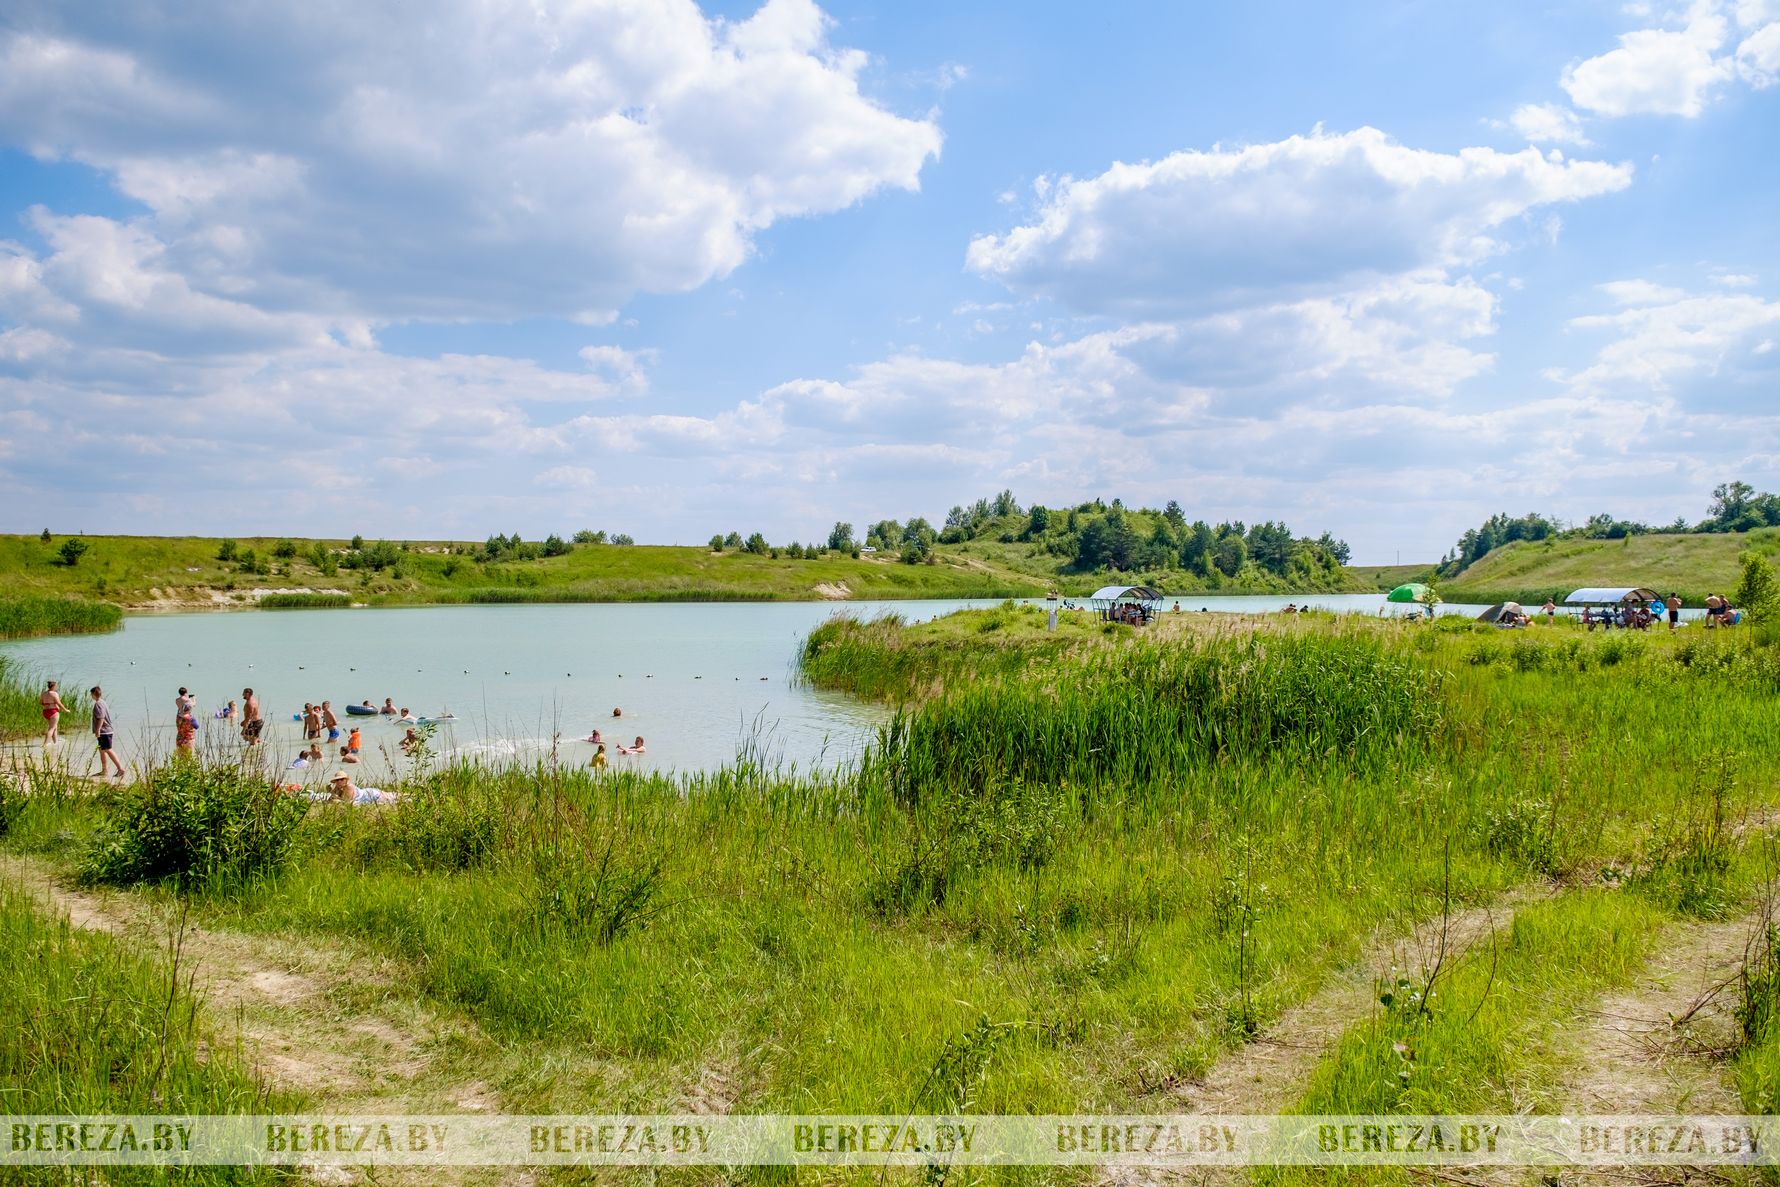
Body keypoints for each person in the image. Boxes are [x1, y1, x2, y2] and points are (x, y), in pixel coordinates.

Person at [89, 686, 124, 779]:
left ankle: (120, 769)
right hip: (106, 731)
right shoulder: (102, 702)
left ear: (93, 694)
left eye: (91, 694)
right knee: (102, 750)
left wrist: (97, 730)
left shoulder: (98, 704)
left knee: (108, 749)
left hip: (104, 731)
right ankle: (104, 770)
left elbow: (101, 718)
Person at [327, 770, 398, 805]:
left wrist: (334, 795)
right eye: (337, 780)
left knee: (394, 796)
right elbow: (332, 798)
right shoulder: (338, 787)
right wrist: (331, 791)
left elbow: (346, 801)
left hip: (371, 794)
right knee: (393, 795)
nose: (339, 781)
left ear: (346, 780)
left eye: (342, 779)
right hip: (367, 793)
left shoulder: (349, 786)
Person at [40, 680, 66, 746]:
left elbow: (41, 702)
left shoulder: (43, 693)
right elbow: (59, 703)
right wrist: (66, 710)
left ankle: (55, 742)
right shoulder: (54, 693)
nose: (56, 687)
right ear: (53, 686)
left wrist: (48, 704)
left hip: (45, 712)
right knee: (51, 728)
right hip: (53, 712)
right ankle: (45, 744)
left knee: (54, 727)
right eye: (56, 686)